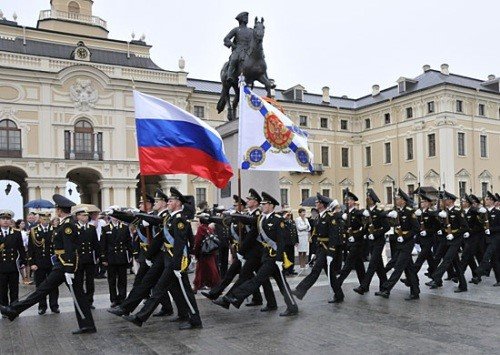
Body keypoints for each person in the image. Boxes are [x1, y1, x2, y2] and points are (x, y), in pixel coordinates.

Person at [0, 194, 96, 334]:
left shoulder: (68, 224)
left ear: (59, 210)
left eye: (56, 208)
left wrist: (69, 268)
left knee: (45, 290)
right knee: (52, 291)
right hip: (62, 265)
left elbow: (70, 248)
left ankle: (14, 310)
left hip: (65, 266)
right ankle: (87, 325)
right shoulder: (65, 223)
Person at [123, 187, 202, 330]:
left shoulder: (180, 220)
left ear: (178, 203)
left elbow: (179, 244)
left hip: (176, 260)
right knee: (169, 289)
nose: (169, 202)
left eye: (171, 200)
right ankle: (141, 317)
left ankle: (141, 317)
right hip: (169, 259)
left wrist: (178, 265)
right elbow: (161, 238)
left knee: (179, 290)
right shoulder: (171, 218)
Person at [222, 191, 299, 317]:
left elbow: (281, 242)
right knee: (280, 282)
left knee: (258, 279)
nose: (262, 206)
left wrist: (279, 259)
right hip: (266, 256)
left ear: (271, 205)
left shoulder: (278, 220)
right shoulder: (261, 219)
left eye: (264, 204)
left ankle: (236, 297)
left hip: (274, 257)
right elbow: (250, 223)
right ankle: (290, 306)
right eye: (262, 203)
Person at [291, 194, 344, 303]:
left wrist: (331, 253)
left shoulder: (330, 217)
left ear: (322, 204)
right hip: (321, 248)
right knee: (331, 275)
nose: (316, 203)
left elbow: (334, 236)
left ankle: (300, 290)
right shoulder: (319, 217)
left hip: (327, 249)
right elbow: (317, 236)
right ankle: (339, 295)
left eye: (317, 202)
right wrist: (315, 252)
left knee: (315, 271)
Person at [375, 189, 420, 300]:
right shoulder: (397, 211)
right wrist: (389, 214)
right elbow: (382, 214)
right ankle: (415, 292)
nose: (396, 200)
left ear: (404, 201)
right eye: (396, 198)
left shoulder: (409, 212)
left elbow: (416, 228)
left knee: (399, 267)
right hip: (400, 243)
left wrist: (404, 237)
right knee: (410, 269)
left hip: (407, 243)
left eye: (398, 199)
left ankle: (386, 289)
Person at [427, 191, 469, 292]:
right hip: (447, 239)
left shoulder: (458, 212)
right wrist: (442, 231)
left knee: (447, 259)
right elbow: (445, 226)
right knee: (457, 264)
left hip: (456, 240)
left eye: (445, 199)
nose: (443, 201)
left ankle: (436, 277)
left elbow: (465, 227)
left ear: (451, 201)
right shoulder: (445, 212)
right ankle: (463, 286)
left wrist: (453, 234)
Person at [353, 188, 390, 295]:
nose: (367, 199)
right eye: (367, 197)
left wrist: (376, 234)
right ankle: (384, 288)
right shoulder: (367, 212)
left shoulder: (379, 212)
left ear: (373, 200)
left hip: (378, 241)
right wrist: (358, 235)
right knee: (379, 266)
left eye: (369, 198)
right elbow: (365, 227)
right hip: (370, 241)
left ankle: (364, 286)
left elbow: (386, 227)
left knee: (372, 263)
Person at [27, 212, 59, 314]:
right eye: (43, 219)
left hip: (52, 263)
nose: (45, 221)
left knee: (54, 285)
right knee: (40, 286)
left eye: (47, 219)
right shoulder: (34, 231)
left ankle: (54, 305)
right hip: (39, 263)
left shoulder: (54, 230)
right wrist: (32, 263)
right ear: (39, 219)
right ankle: (42, 306)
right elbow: (31, 249)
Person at [100, 207, 132, 307]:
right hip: (111, 257)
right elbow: (103, 244)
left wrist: (131, 255)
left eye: (117, 217)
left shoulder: (124, 227)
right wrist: (103, 258)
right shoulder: (105, 228)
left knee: (122, 279)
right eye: (113, 216)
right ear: (110, 217)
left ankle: (122, 297)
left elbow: (128, 243)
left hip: (122, 257)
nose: (115, 218)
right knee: (112, 280)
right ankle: (113, 299)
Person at [337, 190, 366, 287]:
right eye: (346, 200)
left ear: (353, 201)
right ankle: (364, 285)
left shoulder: (357, 213)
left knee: (348, 263)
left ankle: (338, 282)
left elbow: (364, 227)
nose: (347, 201)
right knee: (359, 264)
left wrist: (356, 236)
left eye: (349, 200)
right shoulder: (346, 213)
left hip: (357, 242)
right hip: (349, 240)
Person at [73, 206, 99, 309]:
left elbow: (95, 243)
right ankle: (81, 300)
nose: (86, 217)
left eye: (87, 215)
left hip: (89, 258)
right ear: (78, 216)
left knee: (90, 281)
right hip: (79, 259)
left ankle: (89, 300)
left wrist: (98, 256)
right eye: (83, 215)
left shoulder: (91, 228)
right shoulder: (74, 228)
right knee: (78, 281)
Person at [474, 191, 500, 286]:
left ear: (493, 201)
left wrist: (491, 230)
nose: (486, 201)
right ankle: (499, 280)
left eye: (488, 199)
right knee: (494, 260)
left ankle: (477, 275)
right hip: (486, 238)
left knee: (486, 256)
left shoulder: (497, 213)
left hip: (496, 238)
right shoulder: (485, 212)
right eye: (486, 199)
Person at [0, 210, 26, 305]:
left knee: (14, 289)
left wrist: (23, 261)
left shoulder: (16, 233)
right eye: (3, 218)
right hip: (1, 266)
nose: (6, 221)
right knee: (2, 290)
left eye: (8, 219)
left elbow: (21, 248)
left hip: (13, 266)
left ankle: (14, 307)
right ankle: (4, 308)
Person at [193, 214, 221, 292]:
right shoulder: (209, 229)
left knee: (200, 270)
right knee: (211, 269)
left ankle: (197, 286)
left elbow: (198, 242)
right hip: (211, 252)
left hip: (203, 253)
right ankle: (212, 286)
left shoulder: (200, 229)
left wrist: (196, 253)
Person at [223, 12, 253, 83]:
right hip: (238, 49)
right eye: (245, 17)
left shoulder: (251, 31)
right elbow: (226, 38)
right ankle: (229, 75)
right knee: (234, 59)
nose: (246, 19)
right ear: (241, 19)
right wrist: (233, 45)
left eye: (247, 18)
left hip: (248, 50)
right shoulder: (236, 29)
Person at [282, 210, 298, 276]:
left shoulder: (292, 222)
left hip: (291, 242)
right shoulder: (283, 223)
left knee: (291, 257)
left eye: (290, 215)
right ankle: (285, 270)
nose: (289, 216)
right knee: (286, 257)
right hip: (285, 243)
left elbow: (295, 232)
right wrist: (283, 218)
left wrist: (296, 241)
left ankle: (291, 269)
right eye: (287, 215)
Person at [16, 219, 32, 285]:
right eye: (21, 223)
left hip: (26, 248)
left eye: (23, 223)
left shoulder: (26, 231)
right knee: (21, 264)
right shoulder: (16, 232)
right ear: (18, 224)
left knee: (27, 263)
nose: (23, 225)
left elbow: (28, 241)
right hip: (19, 249)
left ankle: (28, 277)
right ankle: (23, 278)